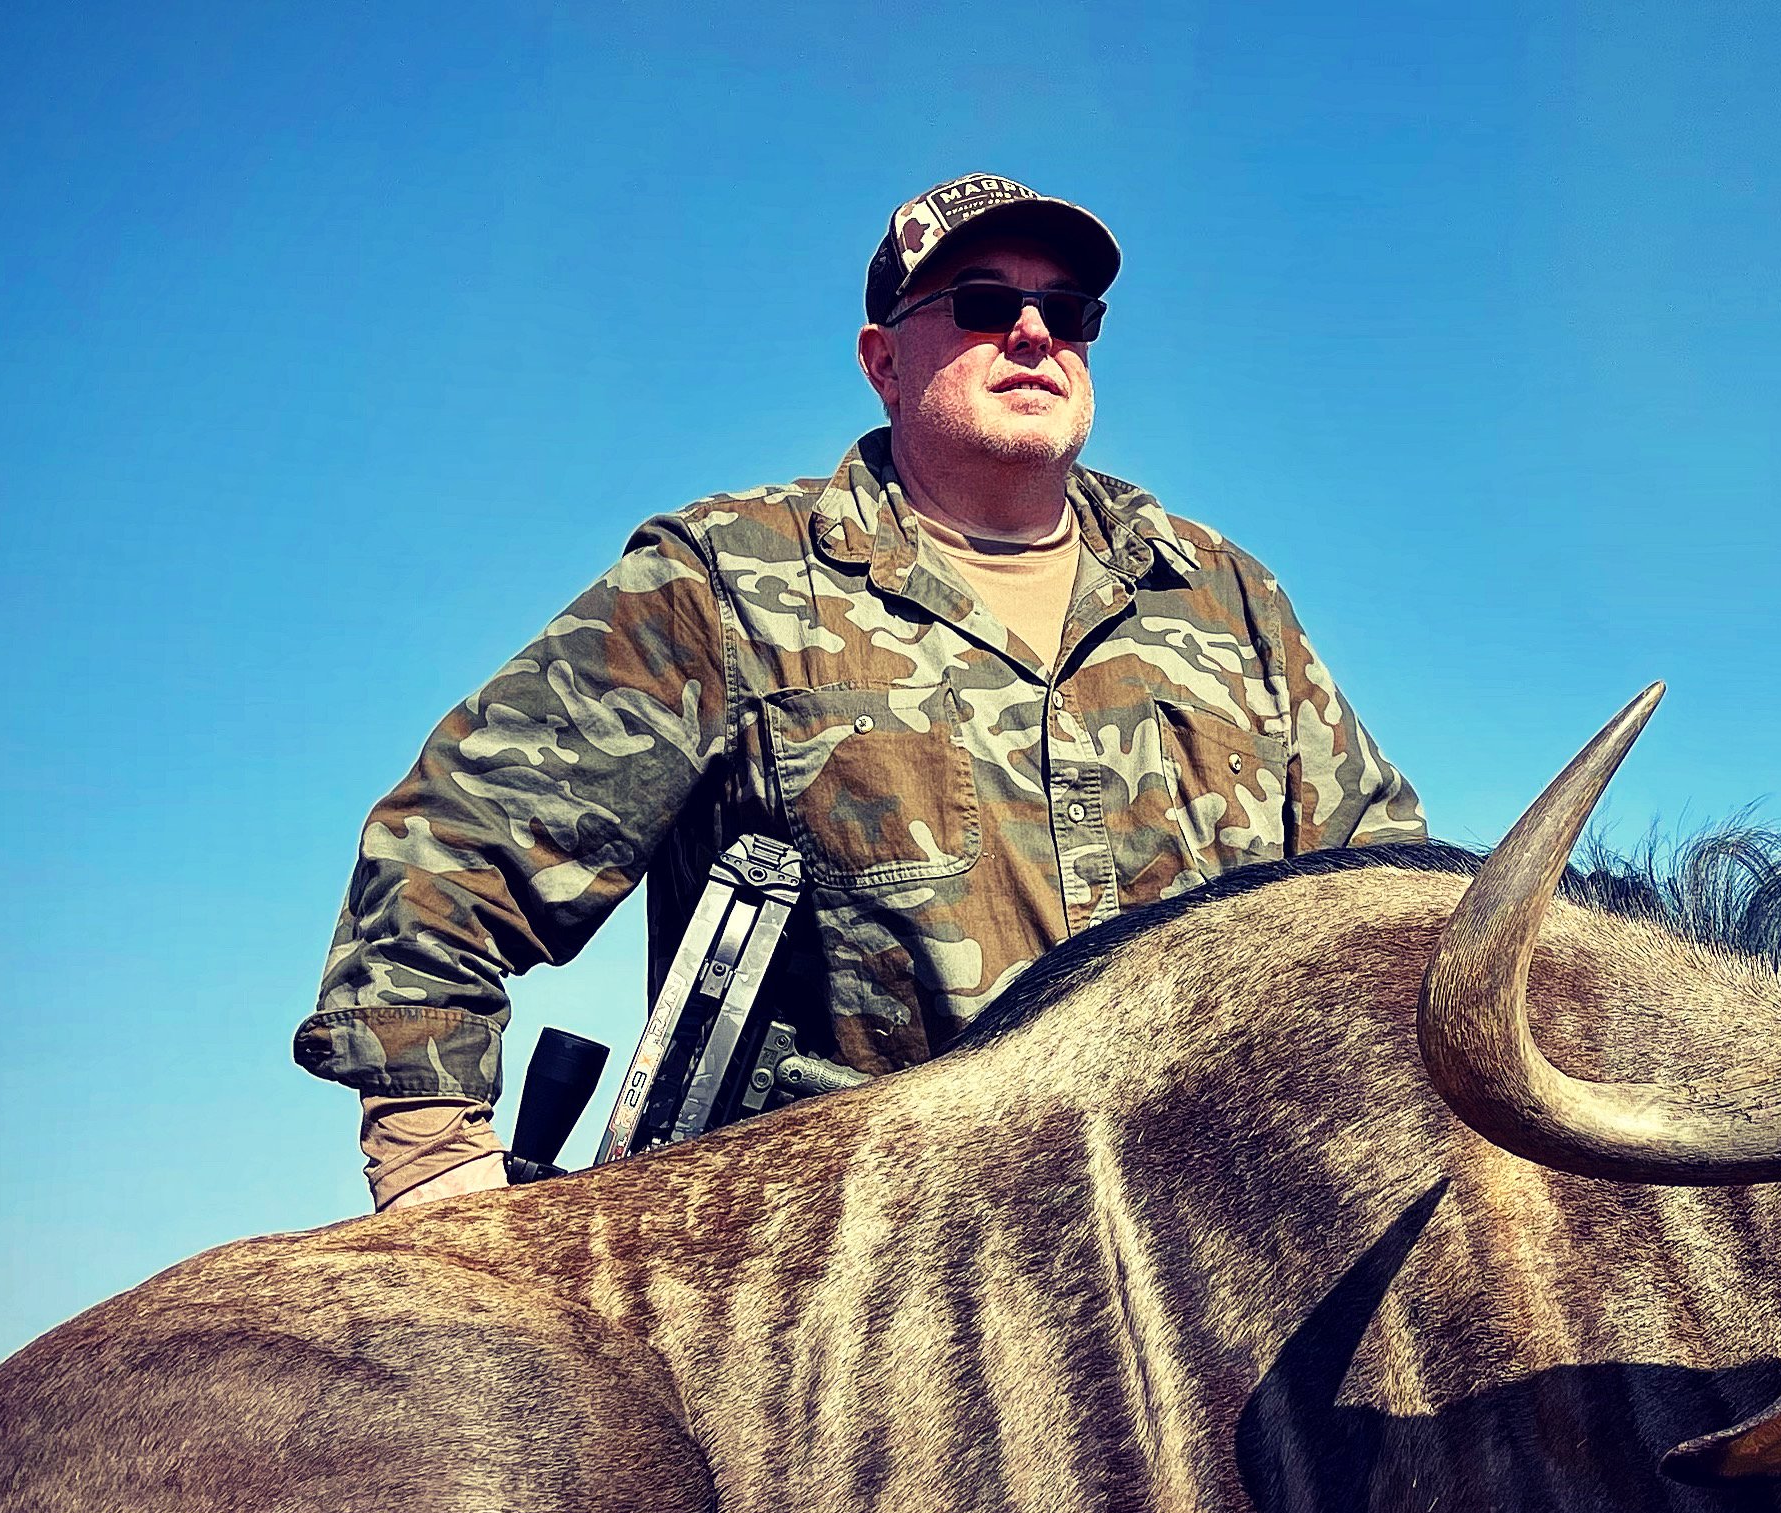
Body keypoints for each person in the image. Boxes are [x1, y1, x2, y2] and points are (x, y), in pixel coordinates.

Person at [297, 173, 1428, 1209]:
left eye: (1068, 313)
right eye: (982, 304)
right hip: (830, 1289)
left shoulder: (1225, 599)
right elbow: (451, 847)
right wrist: (434, 1171)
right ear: (882, 361)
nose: (1034, 333)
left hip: (1206, 1271)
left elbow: (1391, 908)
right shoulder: (730, 580)